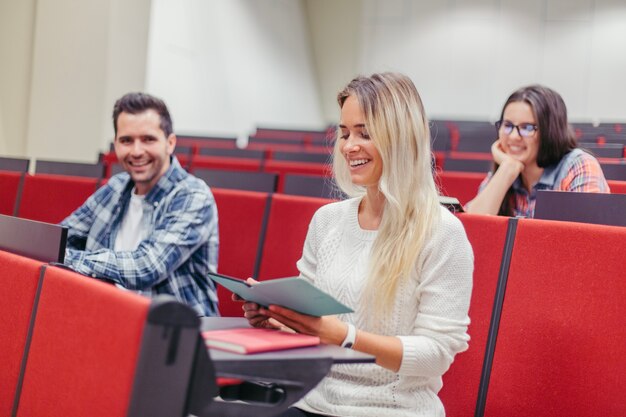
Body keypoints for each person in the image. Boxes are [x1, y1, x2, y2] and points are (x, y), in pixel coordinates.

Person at [237, 73, 474, 417]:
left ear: (400, 138)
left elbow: (437, 353)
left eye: (365, 133)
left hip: (395, 409)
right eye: (345, 133)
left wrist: (345, 336)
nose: (349, 146)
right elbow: (315, 325)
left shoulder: (442, 232)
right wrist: (278, 317)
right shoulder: (327, 221)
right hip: (315, 402)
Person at [61, 92, 220, 317]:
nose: (136, 151)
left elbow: (146, 267)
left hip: (177, 332)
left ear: (170, 143)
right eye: (126, 140)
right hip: (110, 320)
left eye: (148, 139)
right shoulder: (116, 188)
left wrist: (65, 257)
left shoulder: (193, 195)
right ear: (115, 144)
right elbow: (60, 238)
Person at [465, 85, 610, 217]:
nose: (514, 136)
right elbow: (473, 229)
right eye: (507, 125)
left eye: (527, 128)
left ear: (550, 131)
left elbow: (584, 240)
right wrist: (507, 169)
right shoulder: (506, 170)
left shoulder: (579, 165)